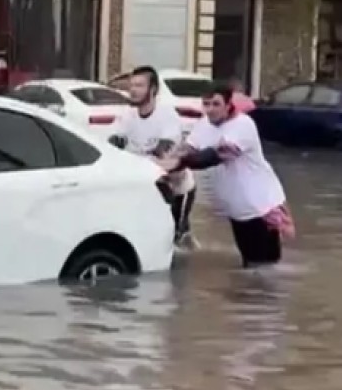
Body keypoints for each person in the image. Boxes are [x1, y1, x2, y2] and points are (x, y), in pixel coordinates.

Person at [156, 82, 292, 268]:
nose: (210, 110)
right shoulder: (205, 123)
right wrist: (165, 163)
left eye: (216, 104)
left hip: (261, 207)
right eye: (206, 104)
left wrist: (181, 162)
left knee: (265, 269)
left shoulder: (243, 125)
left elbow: (217, 156)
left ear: (228, 106)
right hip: (238, 209)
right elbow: (189, 147)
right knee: (250, 268)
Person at [108, 65, 197, 248]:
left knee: (173, 240)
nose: (133, 90)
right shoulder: (127, 115)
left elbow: (164, 152)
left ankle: (184, 244)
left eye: (139, 86)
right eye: (131, 85)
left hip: (176, 188)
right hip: (144, 183)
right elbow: (114, 143)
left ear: (153, 90)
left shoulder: (167, 115)